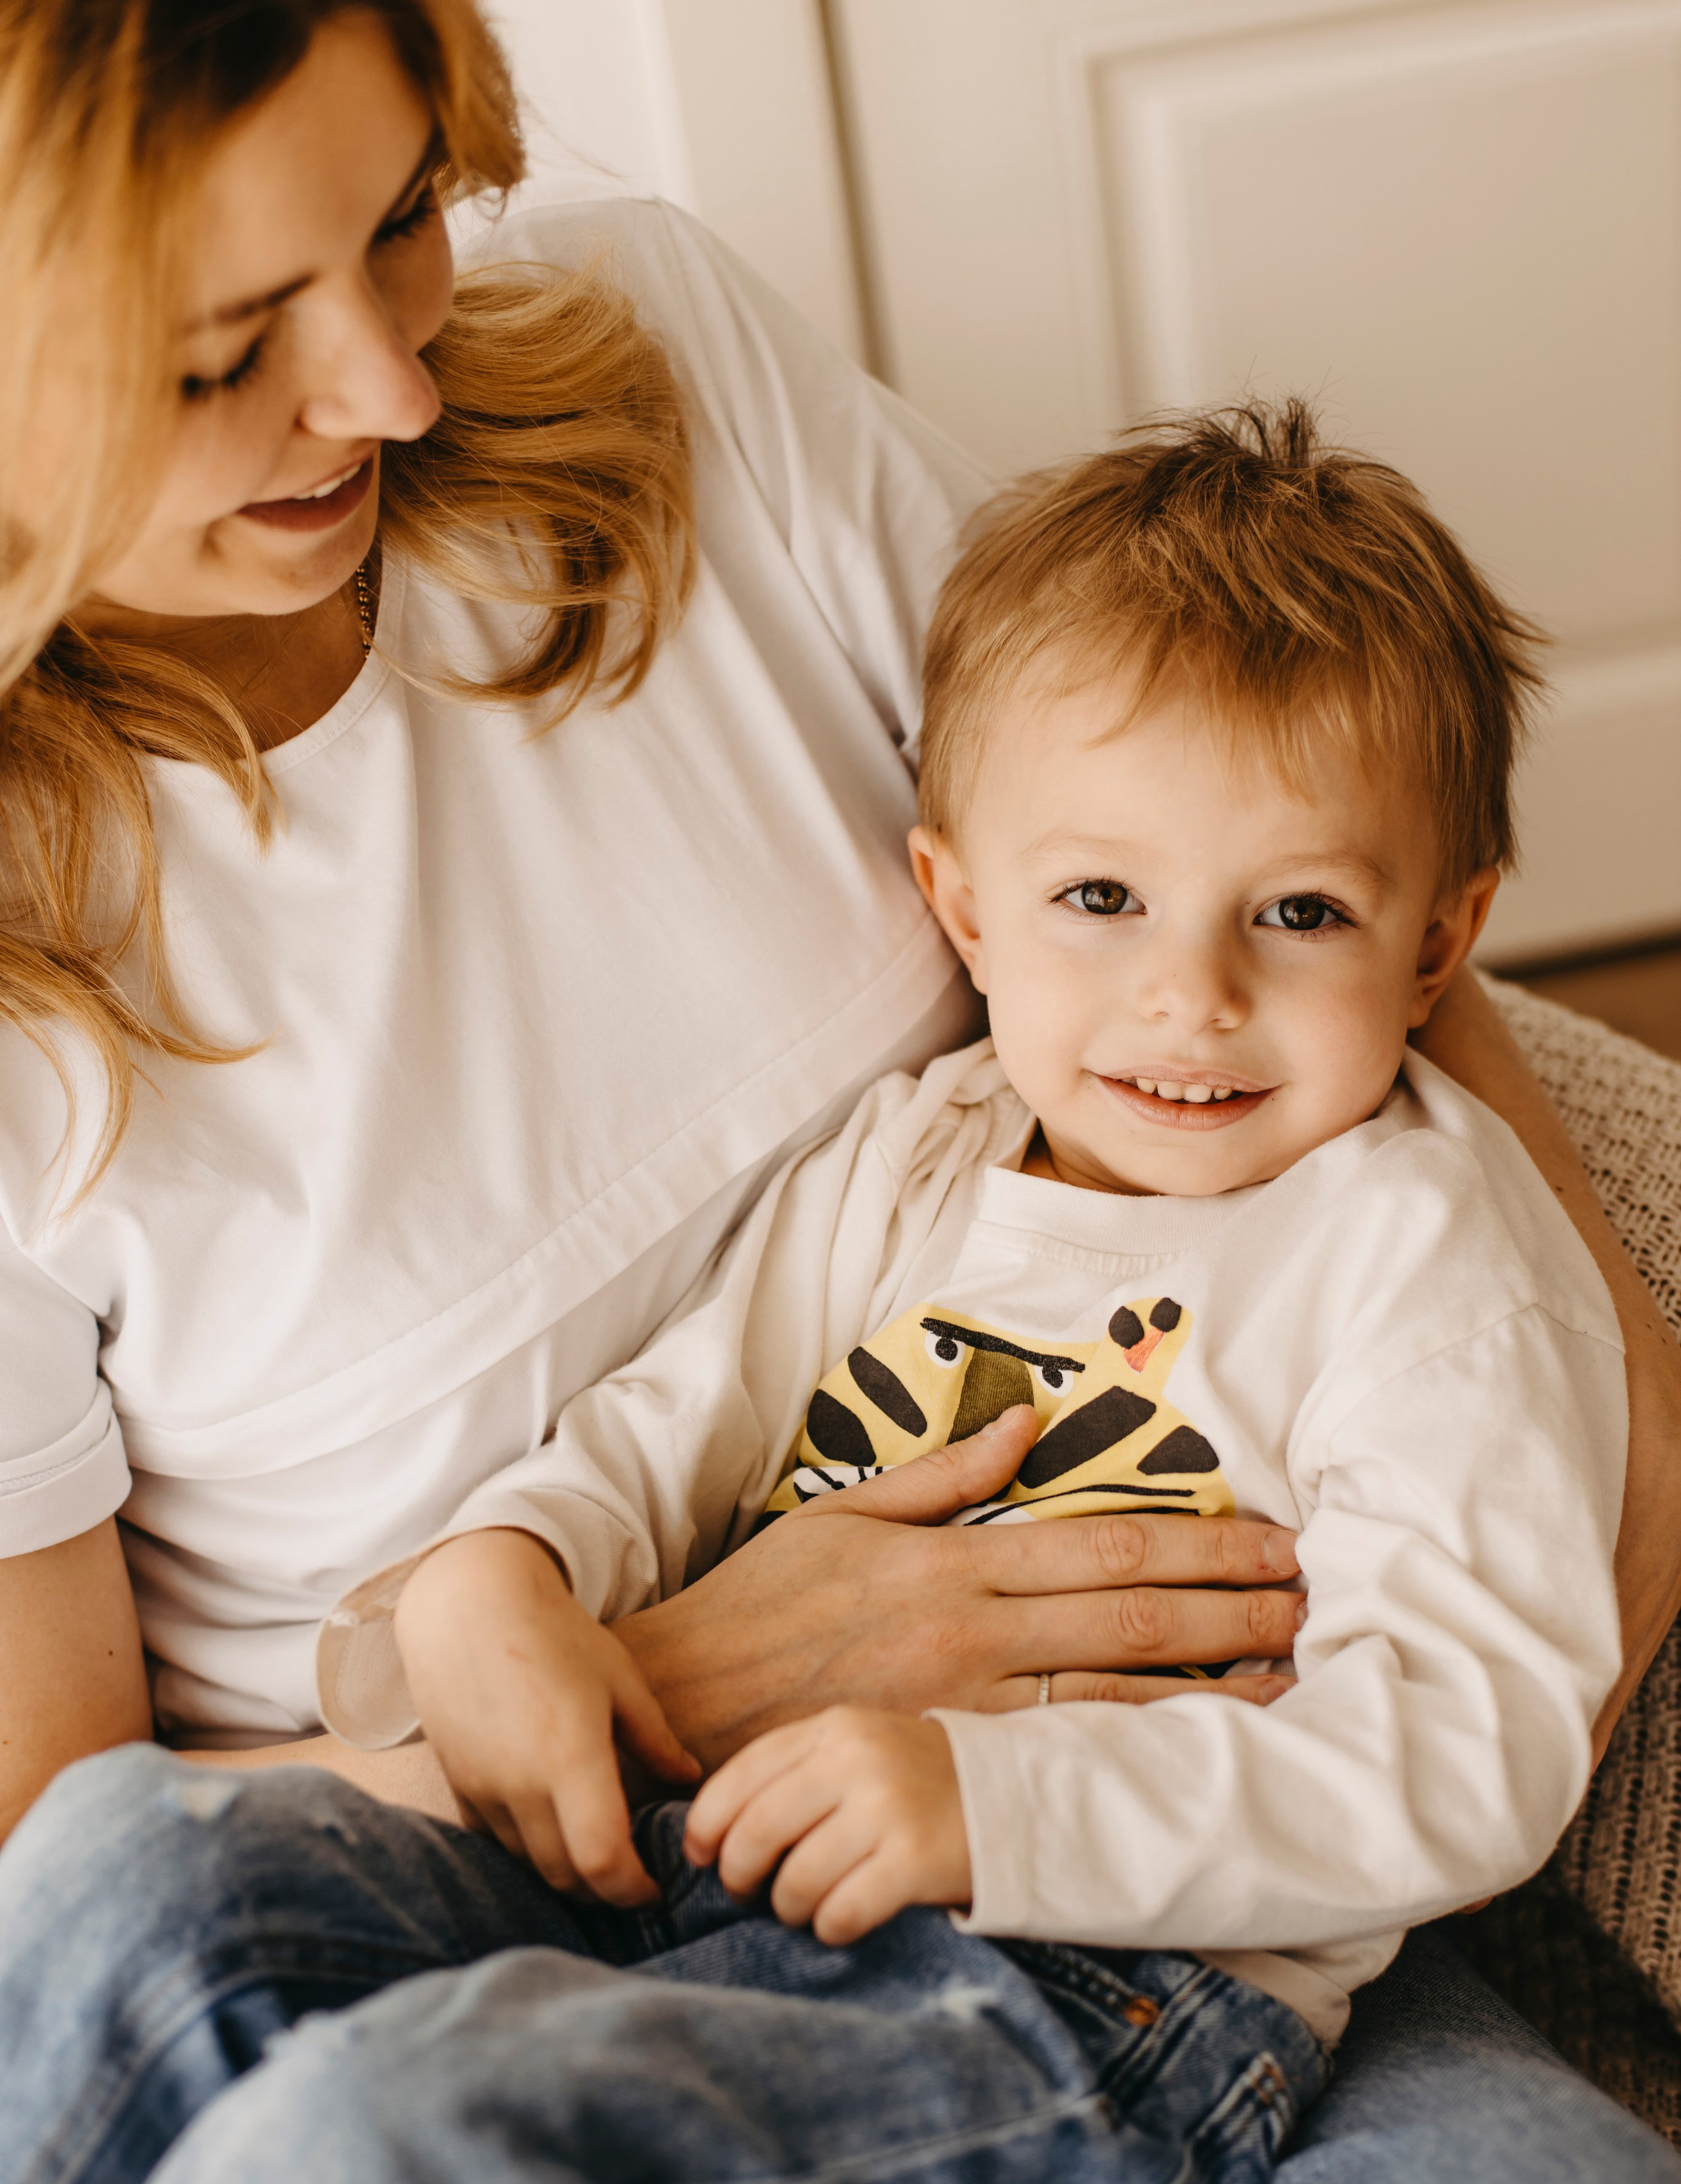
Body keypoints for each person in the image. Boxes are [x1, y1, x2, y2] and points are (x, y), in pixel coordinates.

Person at [0, 3, 1676, 2184]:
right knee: (168, 1934)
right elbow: (648, 1435)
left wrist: (1573, 1476)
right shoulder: (913, 1173)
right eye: (220, 352)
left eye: (401, 221)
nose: (382, 385)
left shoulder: (681, 380)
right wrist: (517, 1621)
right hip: (534, 1869)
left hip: (1122, 1952)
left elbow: (1201, 769)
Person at [346, 409, 1622, 2064]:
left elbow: (1463, 1752)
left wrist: (987, 1806)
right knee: (236, 1922)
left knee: (466, 2157)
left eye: (1299, 912)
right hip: (693, 1865)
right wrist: (505, 1570)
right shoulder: (913, 1153)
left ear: (1440, 939)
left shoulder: (1419, 1258)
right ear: (960, 907)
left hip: (1099, 1980)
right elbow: (666, 1427)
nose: (1193, 995)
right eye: (1100, 900)